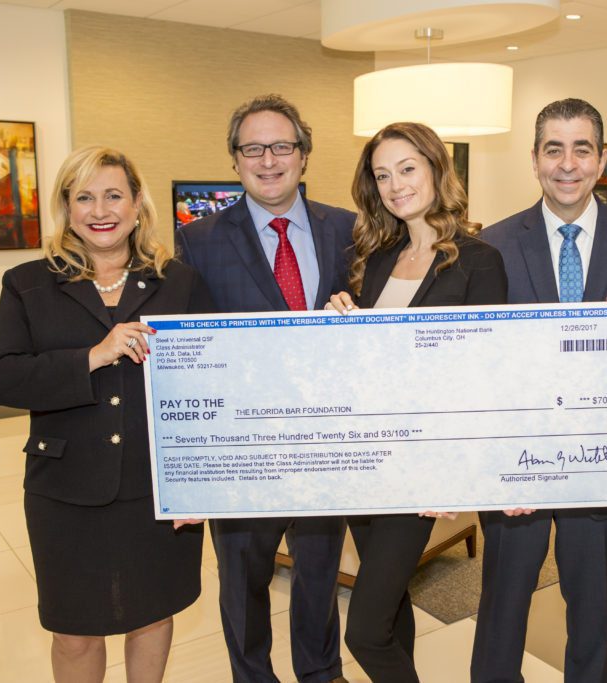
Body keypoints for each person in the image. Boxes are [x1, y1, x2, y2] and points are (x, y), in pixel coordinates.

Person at [0, 146, 213, 682]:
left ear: (136, 204)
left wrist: (200, 484)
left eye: (114, 195)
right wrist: (92, 356)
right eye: (84, 197)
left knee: (153, 614)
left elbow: (208, 385)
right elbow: (2, 378)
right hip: (65, 487)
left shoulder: (179, 282)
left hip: (156, 485)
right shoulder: (27, 283)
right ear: (67, 207)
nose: (101, 210)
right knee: (74, 630)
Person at [471, 98, 607, 683]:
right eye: (553, 150)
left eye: (581, 150)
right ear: (534, 159)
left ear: (601, 159)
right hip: (516, 462)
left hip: (602, 463)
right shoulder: (493, 245)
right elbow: (476, 361)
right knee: (502, 604)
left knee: (592, 609)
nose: (567, 164)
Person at [175, 94, 353, 683]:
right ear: (234, 159)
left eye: (281, 146)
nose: (268, 160)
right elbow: (189, 354)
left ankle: (320, 673)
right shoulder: (198, 241)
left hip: (326, 440)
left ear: (303, 155)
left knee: (319, 575)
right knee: (243, 581)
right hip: (243, 447)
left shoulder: (347, 230)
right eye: (253, 148)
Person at [327, 121, 507, 682]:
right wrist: (340, 326)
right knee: (390, 613)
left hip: (422, 468)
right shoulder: (377, 258)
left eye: (407, 169)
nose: (395, 185)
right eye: (382, 175)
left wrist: (455, 472)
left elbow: (484, 376)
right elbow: (370, 364)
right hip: (366, 460)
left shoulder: (479, 261)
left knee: (362, 631)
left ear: (435, 169)